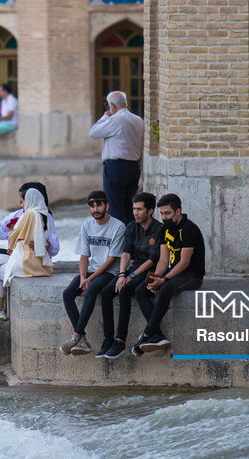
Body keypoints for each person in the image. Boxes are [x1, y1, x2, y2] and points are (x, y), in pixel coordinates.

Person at [131, 193, 206, 356]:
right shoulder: (165, 228)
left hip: (191, 275)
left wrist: (164, 280)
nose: (164, 217)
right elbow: (163, 260)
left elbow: (184, 263)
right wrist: (155, 279)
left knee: (165, 289)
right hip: (173, 273)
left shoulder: (189, 229)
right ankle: (157, 335)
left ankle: (146, 335)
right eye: (162, 214)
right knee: (140, 290)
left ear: (178, 211)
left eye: (167, 213)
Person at [0, 188, 55, 322]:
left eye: (22, 201)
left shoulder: (30, 215)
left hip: (28, 263)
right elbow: (46, 239)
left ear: (29, 200)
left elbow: (15, 233)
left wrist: (11, 247)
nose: (21, 204)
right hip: (38, 262)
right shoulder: (45, 215)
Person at [97, 192, 163, 359]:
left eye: (140, 209)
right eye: (134, 209)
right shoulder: (131, 227)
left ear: (150, 211)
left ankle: (120, 340)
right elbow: (125, 253)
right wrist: (121, 275)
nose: (136, 213)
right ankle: (108, 340)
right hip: (133, 268)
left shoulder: (160, 229)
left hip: (150, 270)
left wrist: (131, 276)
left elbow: (153, 259)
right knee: (106, 292)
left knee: (126, 291)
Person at [59, 190, 125, 356]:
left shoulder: (118, 227)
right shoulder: (86, 225)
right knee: (68, 293)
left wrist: (90, 279)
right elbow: (84, 255)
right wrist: (83, 278)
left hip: (110, 272)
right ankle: (83, 340)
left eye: (99, 205)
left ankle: (76, 335)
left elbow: (111, 259)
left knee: (93, 289)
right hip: (90, 270)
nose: (95, 209)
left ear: (107, 206)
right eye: (92, 206)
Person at [89, 90, 144, 225]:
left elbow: (94, 132)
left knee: (114, 208)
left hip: (116, 168)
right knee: (130, 208)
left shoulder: (116, 119)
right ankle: (131, 239)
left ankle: (120, 242)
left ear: (112, 105)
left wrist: (105, 116)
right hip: (134, 167)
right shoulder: (138, 120)